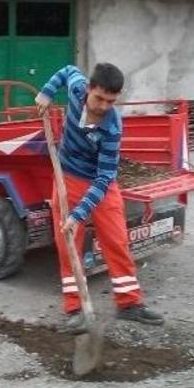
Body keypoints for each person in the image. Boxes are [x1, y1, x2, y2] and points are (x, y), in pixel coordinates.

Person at [35, 63, 164, 333]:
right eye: (99, 98)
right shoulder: (75, 89)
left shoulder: (112, 127)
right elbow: (68, 70)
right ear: (89, 89)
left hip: (99, 183)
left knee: (116, 240)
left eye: (111, 101)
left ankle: (129, 303)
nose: (104, 106)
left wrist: (79, 213)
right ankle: (75, 309)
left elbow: (105, 178)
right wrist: (46, 93)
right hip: (67, 178)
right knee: (68, 244)